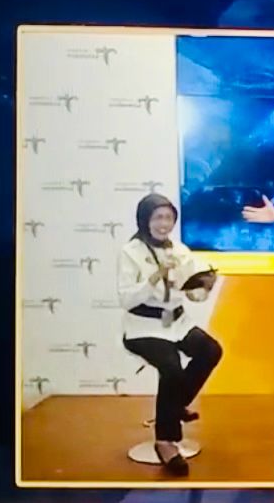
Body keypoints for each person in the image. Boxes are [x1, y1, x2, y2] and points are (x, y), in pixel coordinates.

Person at [117, 193, 223, 476]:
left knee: (211, 350)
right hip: (142, 327)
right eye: (158, 218)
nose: (164, 224)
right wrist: (155, 276)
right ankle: (165, 441)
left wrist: (205, 286)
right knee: (171, 366)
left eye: (168, 218)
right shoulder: (130, 252)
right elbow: (126, 299)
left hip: (177, 323)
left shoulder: (180, 250)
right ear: (145, 220)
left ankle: (175, 405)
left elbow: (193, 295)